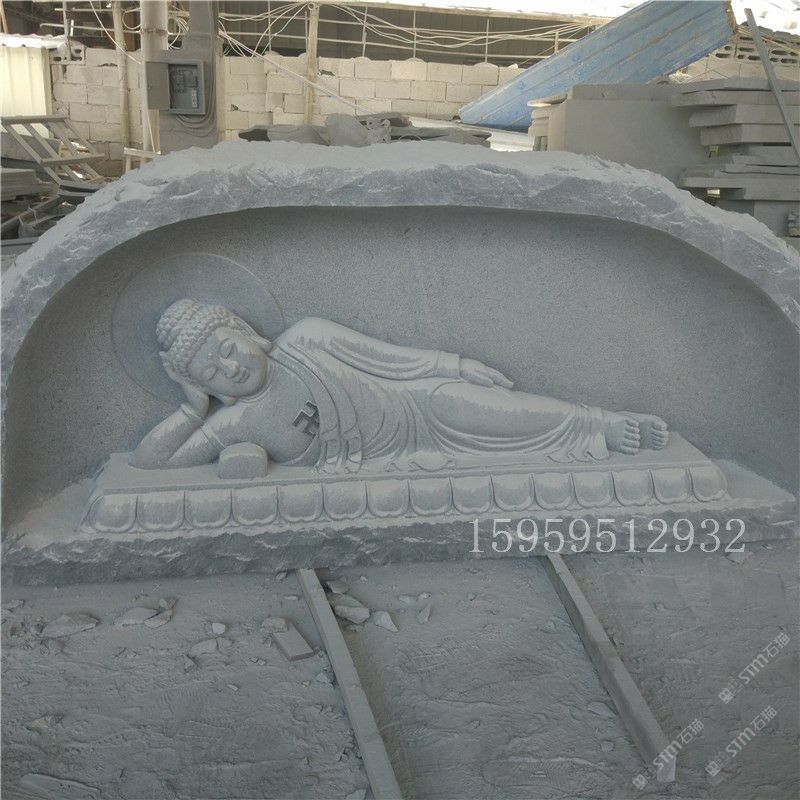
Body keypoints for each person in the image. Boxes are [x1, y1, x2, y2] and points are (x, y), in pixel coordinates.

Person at [131, 299, 668, 473]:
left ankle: (597, 424)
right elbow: (152, 462)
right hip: (378, 461)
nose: (230, 370)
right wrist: (192, 407)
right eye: (211, 373)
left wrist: (457, 366)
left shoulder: (306, 340)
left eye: (227, 350)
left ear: (246, 332)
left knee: (484, 409)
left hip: (415, 411)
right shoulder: (234, 422)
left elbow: (393, 360)